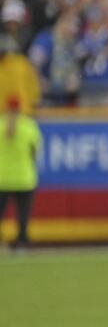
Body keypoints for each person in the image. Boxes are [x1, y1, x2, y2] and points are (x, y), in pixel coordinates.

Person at [0, 95, 40, 250]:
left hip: (2, 178)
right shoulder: (29, 126)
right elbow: (35, 152)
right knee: (22, 215)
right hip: (24, 177)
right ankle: (22, 243)